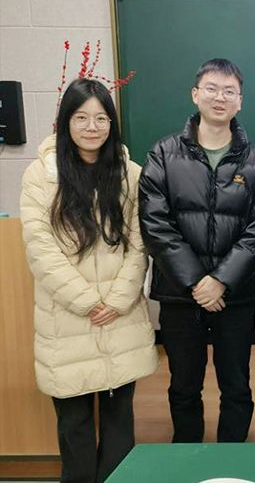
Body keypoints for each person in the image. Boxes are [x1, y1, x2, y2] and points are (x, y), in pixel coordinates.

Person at [19, 78, 158, 482]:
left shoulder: (130, 174)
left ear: (112, 123)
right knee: (74, 425)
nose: (92, 127)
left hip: (119, 317)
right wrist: (86, 301)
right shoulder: (41, 175)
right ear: (66, 121)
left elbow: (140, 243)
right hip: (67, 320)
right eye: (81, 118)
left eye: (101, 118)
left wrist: (117, 299)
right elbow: (39, 247)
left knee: (119, 422)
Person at [138, 58, 255, 443]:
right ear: (195, 94)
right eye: (212, 89)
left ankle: (232, 456)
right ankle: (188, 455)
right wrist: (197, 281)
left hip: (235, 294)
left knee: (236, 385)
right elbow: (155, 223)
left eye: (229, 91)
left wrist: (221, 281)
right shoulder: (163, 154)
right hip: (179, 294)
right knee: (184, 385)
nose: (220, 97)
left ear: (240, 101)